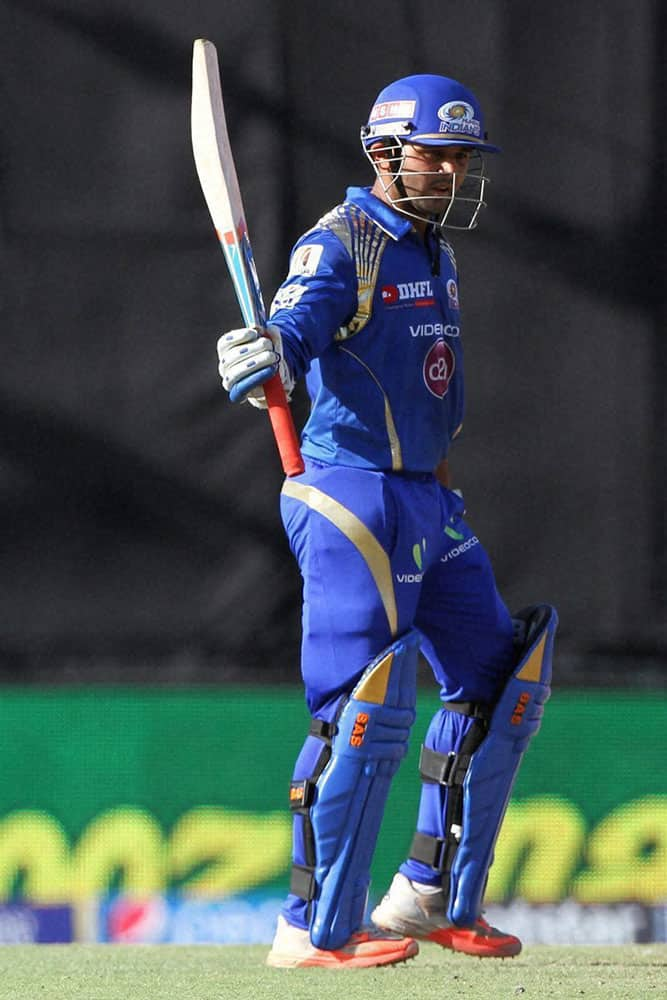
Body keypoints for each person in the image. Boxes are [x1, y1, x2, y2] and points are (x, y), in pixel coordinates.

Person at [217, 74, 557, 969]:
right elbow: (290, 329)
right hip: (349, 495)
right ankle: (311, 928)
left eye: (460, 158)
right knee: (364, 708)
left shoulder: (434, 251)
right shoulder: (341, 245)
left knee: (502, 678)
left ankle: (428, 896)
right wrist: (265, 356)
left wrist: (440, 488)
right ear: (384, 153)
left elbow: (427, 393)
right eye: (433, 155)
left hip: (425, 497)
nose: (448, 171)